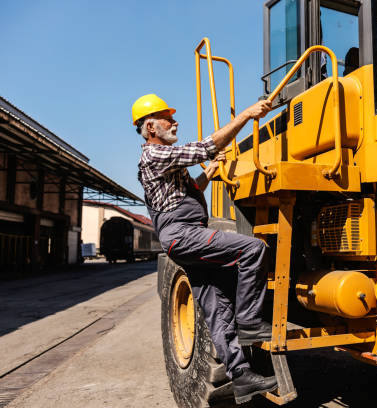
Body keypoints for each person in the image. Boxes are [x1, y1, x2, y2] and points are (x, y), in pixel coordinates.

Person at [133, 94, 276, 403]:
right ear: (150, 126)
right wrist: (247, 115)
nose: (174, 122)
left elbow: (190, 191)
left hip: (185, 235)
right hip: (183, 234)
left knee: (217, 308)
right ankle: (251, 322)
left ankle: (241, 378)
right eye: (167, 118)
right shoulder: (154, 155)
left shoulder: (166, 159)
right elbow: (205, 147)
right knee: (253, 250)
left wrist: (208, 173)